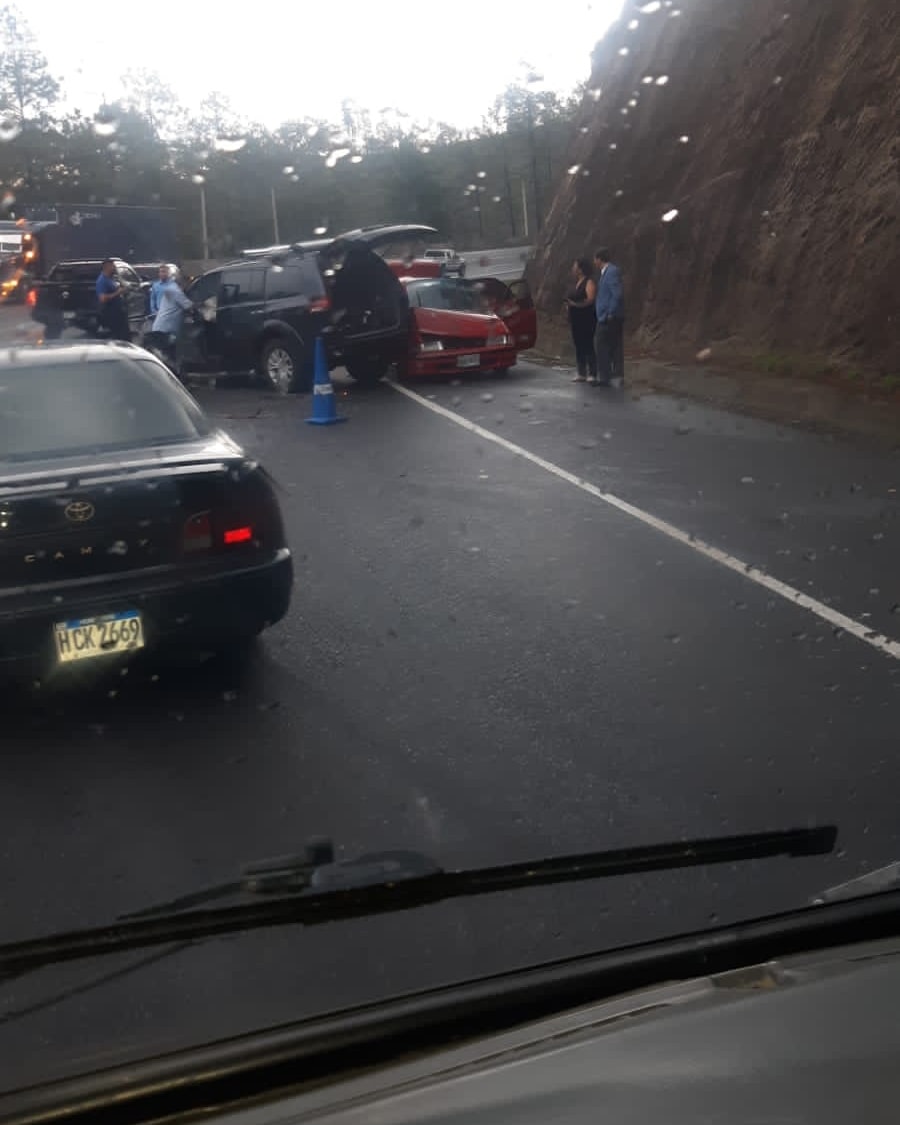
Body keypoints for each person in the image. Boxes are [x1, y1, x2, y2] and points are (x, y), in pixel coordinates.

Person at [145, 269, 193, 368]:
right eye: (188, 284)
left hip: (163, 328)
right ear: (184, 282)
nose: (188, 287)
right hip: (165, 330)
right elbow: (189, 306)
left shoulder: (172, 288)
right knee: (167, 357)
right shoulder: (176, 291)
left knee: (166, 355)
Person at [593, 247, 625, 387]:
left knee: (604, 345)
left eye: (595, 259)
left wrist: (610, 313)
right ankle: (611, 376)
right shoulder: (605, 273)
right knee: (611, 345)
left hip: (609, 317)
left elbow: (616, 294)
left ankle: (607, 376)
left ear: (599, 259)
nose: (594, 262)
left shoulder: (611, 272)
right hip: (606, 316)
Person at [563, 257, 597, 383]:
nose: (573, 269)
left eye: (575, 266)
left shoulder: (589, 282)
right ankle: (581, 372)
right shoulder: (575, 282)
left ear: (581, 269)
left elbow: (590, 299)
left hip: (586, 318)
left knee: (588, 344)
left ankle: (592, 372)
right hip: (575, 319)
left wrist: (576, 305)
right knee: (578, 345)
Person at [95, 259, 130, 341]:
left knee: (125, 337)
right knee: (118, 338)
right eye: (113, 266)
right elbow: (102, 299)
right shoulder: (102, 281)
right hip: (111, 315)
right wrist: (118, 292)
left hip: (119, 314)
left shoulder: (111, 278)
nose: (114, 267)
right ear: (107, 267)